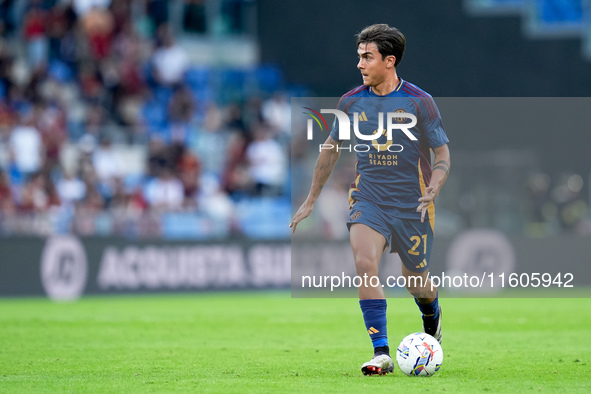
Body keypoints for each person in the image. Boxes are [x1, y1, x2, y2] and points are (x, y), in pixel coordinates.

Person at [289, 24, 450, 375]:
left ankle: (431, 318)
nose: (359, 64)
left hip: (414, 203)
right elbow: (331, 150)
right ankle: (381, 353)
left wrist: (435, 183)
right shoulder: (350, 101)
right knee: (365, 264)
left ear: (389, 61)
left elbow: (442, 154)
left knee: (416, 282)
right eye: (359, 56)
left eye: (367, 57)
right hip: (369, 199)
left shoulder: (420, 102)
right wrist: (311, 198)